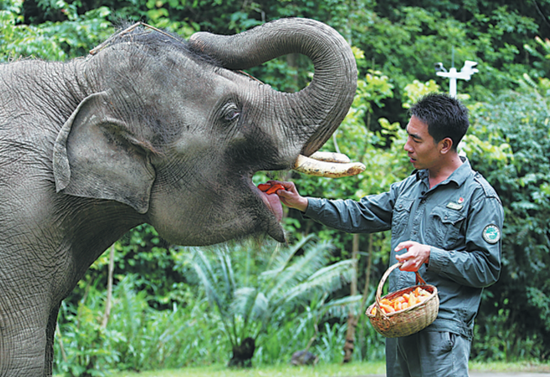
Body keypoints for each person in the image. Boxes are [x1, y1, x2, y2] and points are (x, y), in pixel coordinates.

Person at [273, 93, 504, 377]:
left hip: (442, 330)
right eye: (408, 136)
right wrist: (304, 204)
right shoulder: (409, 187)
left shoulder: (478, 196)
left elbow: (486, 268)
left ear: (445, 145)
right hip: (399, 321)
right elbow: (359, 213)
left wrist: (430, 255)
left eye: (416, 140)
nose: (407, 147)